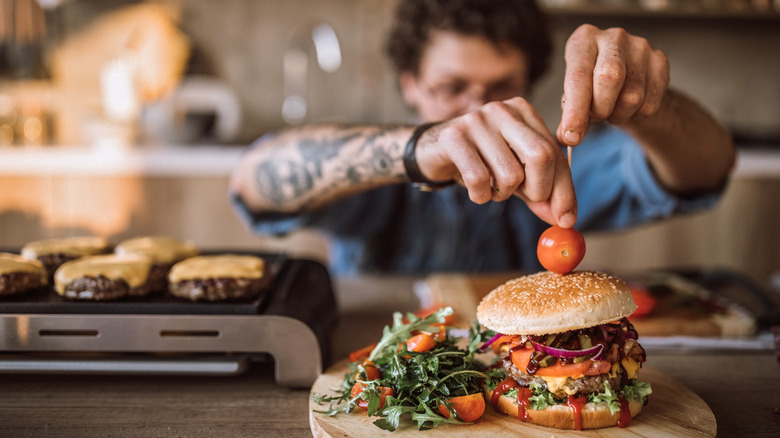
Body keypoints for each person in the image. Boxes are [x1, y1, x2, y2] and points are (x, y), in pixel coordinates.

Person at [229, 0, 734, 276]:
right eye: (451, 88)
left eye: (500, 88)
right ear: (410, 84)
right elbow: (253, 181)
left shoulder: (560, 160)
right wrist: (417, 150)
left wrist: (645, 103)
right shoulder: (373, 174)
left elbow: (706, 170)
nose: (477, 111)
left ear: (529, 82)